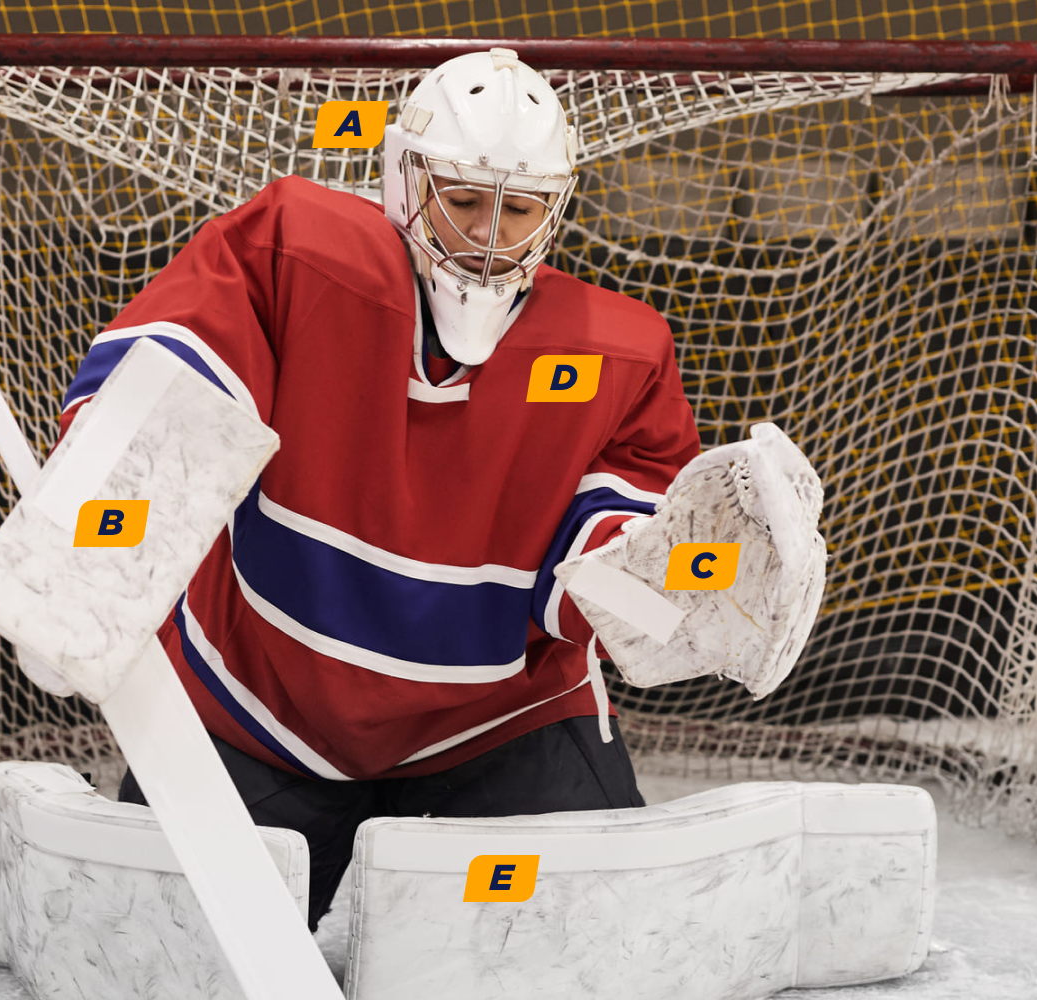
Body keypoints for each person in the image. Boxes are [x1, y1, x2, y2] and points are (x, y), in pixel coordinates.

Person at [55, 48, 702, 929]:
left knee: (577, 955)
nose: (487, 237)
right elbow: (175, 371)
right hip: (263, 709)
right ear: (403, 180)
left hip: (497, 726)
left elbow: (611, 558)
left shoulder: (617, 350)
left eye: (517, 210)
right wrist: (95, 535)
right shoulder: (297, 253)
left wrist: (685, 579)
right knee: (151, 955)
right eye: (465, 200)